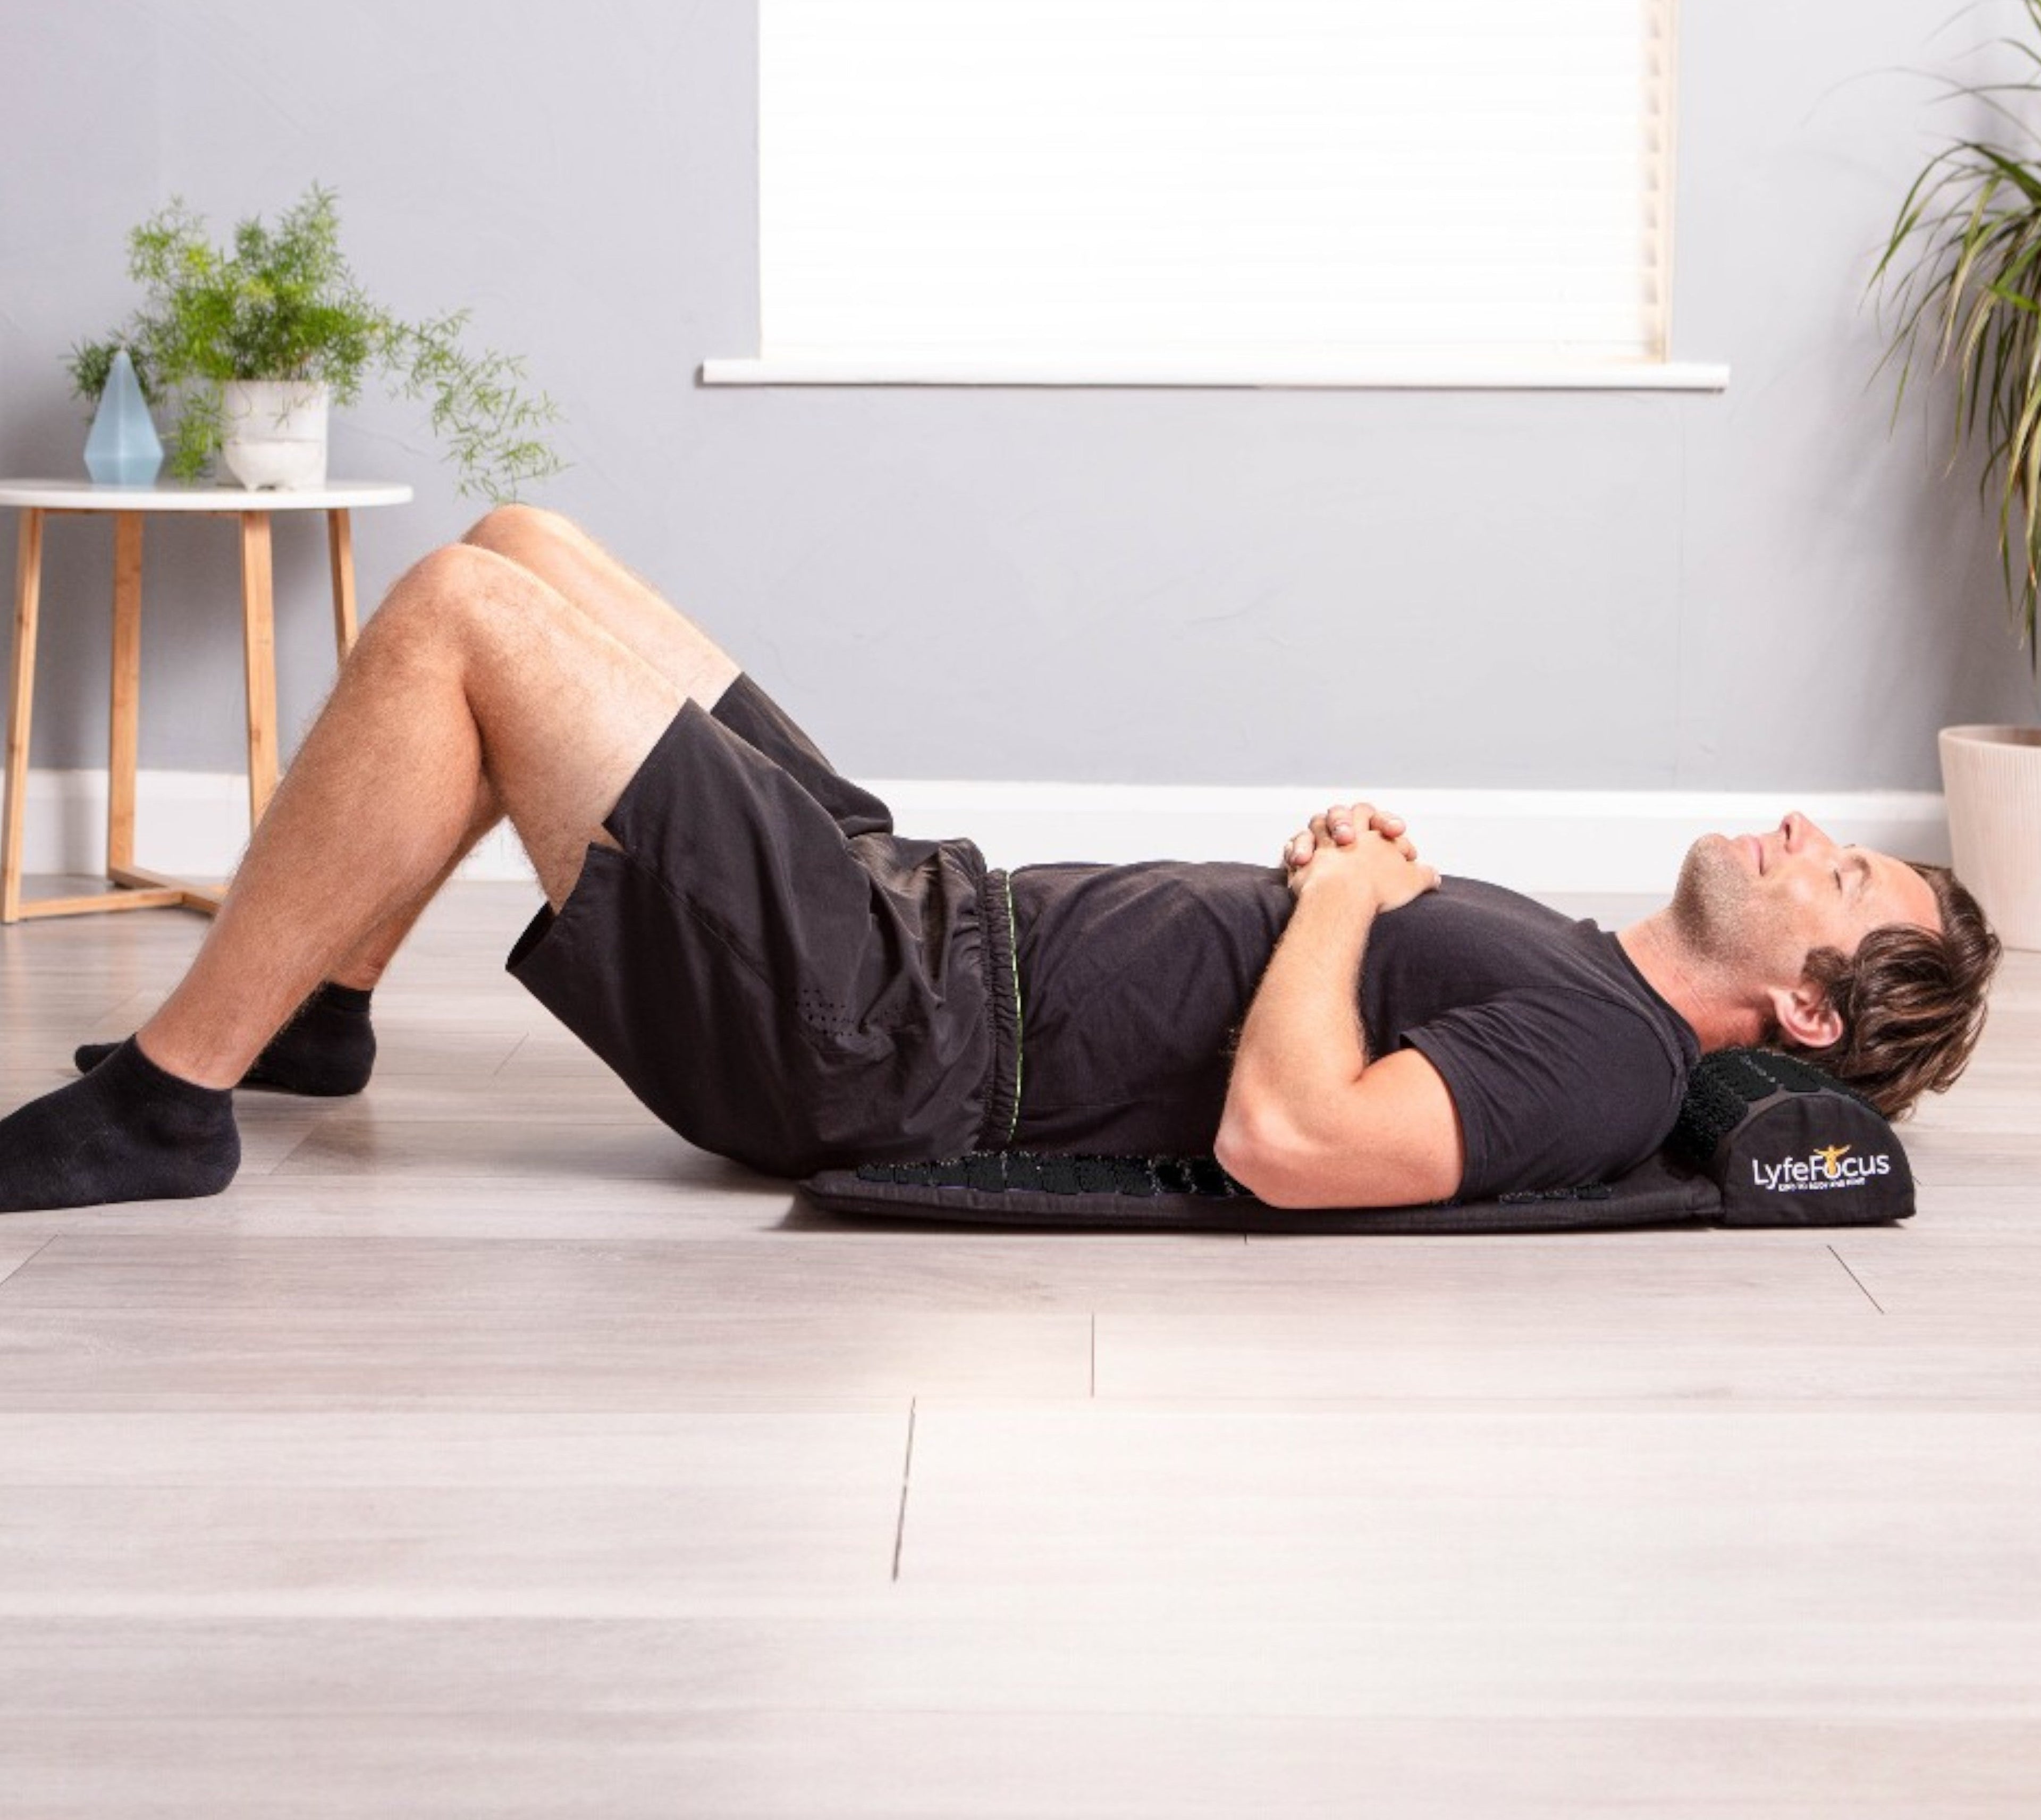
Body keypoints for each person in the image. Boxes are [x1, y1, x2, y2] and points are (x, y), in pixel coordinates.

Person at [0, 508, 2001, 1215]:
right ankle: (326, 1007)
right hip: (928, 916)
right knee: (527, 541)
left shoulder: (1613, 1063)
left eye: (1841, 879)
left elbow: (1294, 1151)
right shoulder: (1587, 983)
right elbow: (1341, 1015)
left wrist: (1332, 901)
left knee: (453, 613)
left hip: (895, 1031)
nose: (1815, 834)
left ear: (1806, 1005)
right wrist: (1356, 893)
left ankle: (174, 1097)